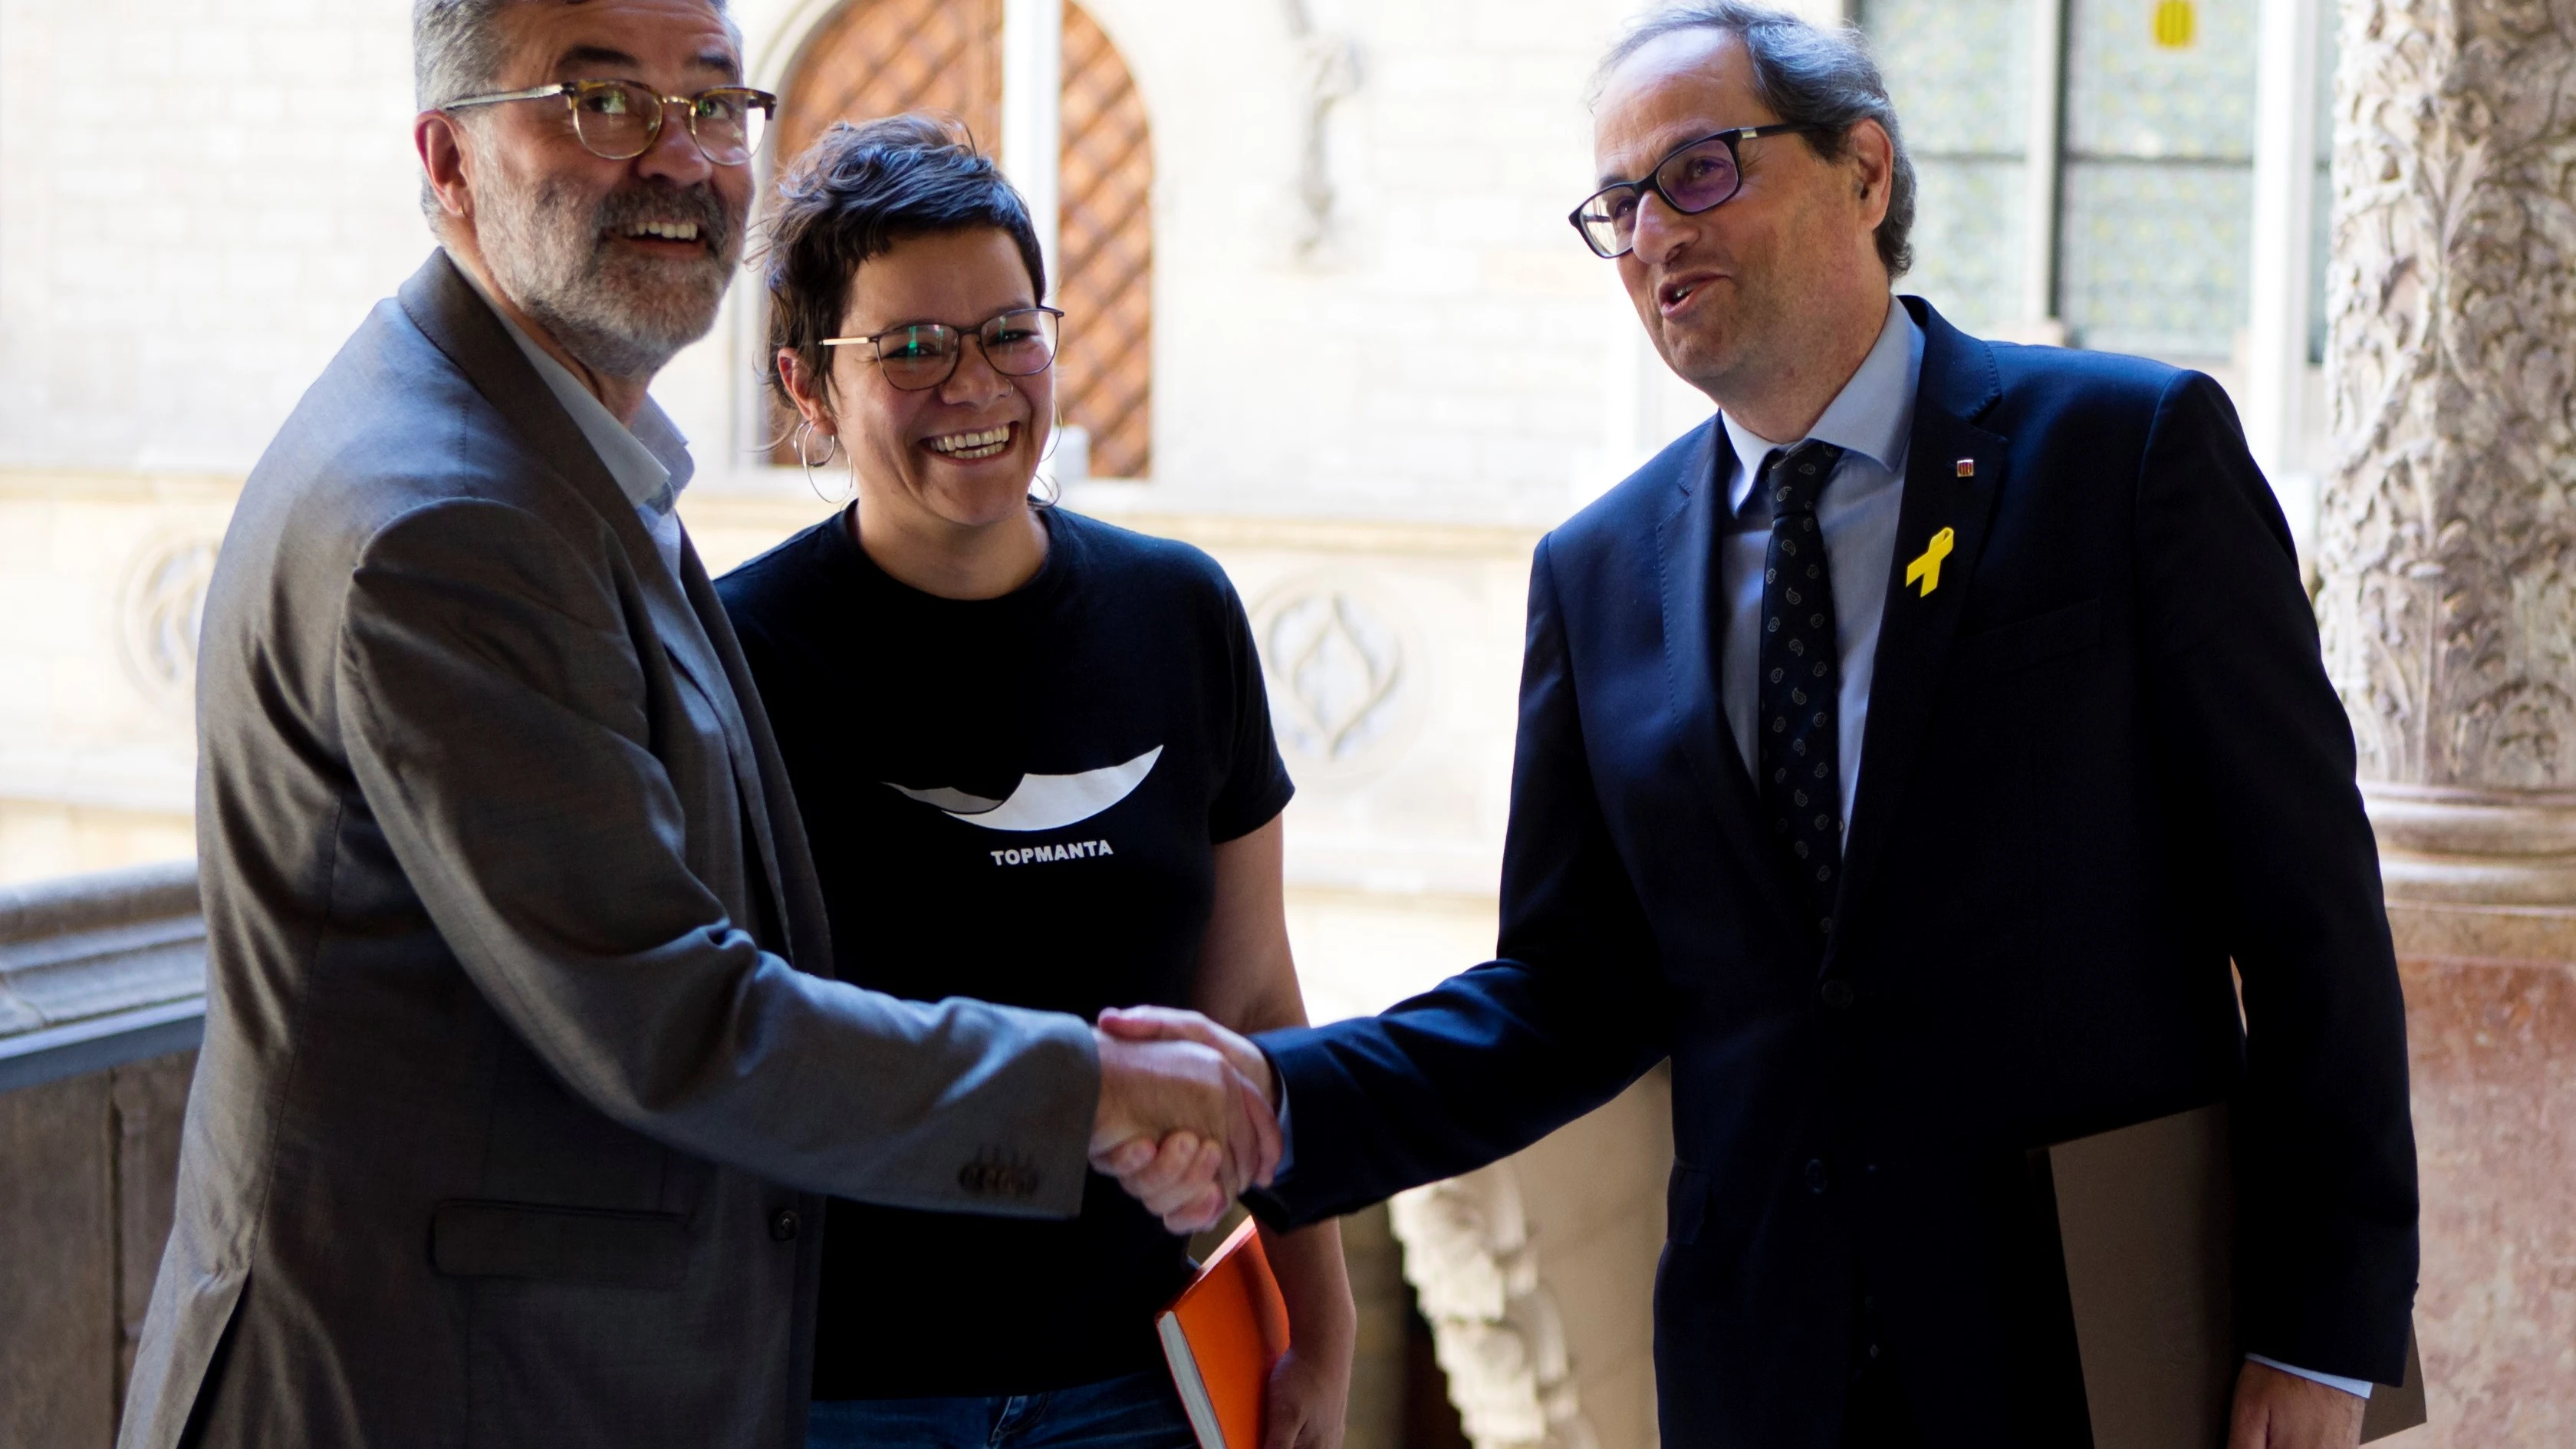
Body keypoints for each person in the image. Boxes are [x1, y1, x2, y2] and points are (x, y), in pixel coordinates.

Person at [1102, 5, 2420, 1447]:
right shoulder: (1598, 574)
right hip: (1764, 1371)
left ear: (1864, 172)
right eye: (1617, 206)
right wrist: (1280, 1103)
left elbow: (2310, 924)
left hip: (2094, 1349)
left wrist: (2324, 1335)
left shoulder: (2127, 455)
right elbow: (1563, 997)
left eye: (1700, 171)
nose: (1655, 231)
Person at [119, 4, 1272, 1447]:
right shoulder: (451, 515)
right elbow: (670, 1016)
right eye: (602, 104)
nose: (677, 159)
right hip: (442, 1387)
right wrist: (1090, 1090)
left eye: (715, 106)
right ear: (449, 155)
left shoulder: (552, 448)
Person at [715, 114, 1353, 1449]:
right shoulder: (737, 658)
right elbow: (718, 1041)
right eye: (910, 348)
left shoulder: (1179, 614)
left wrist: (1321, 1325)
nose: (976, 385)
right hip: (841, 1395)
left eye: (1010, 331)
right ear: (806, 386)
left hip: (1143, 1379)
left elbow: (1250, 1002)